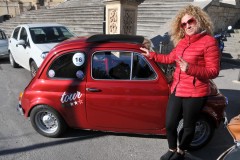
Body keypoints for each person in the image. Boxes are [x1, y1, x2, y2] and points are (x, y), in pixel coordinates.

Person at [140, 4, 220, 160]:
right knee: (169, 124)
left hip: (196, 92)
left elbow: (213, 71)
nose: (187, 25)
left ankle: (181, 152)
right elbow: (170, 58)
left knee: (189, 128)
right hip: (177, 88)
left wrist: (190, 68)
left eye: (191, 21)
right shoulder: (183, 42)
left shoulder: (208, 42)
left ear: (199, 20)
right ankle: (171, 149)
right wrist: (152, 55)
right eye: (184, 24)